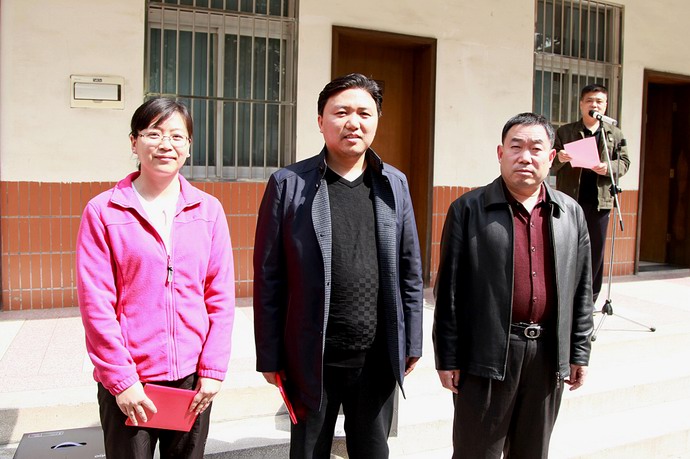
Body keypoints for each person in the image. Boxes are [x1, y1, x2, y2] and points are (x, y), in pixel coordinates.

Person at [253, 73, 424, 459]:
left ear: (377, 120)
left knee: (373, 451)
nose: (353, 122)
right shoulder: (288, 184)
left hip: (376, 356)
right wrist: (269, 354)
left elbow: (410, 270)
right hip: (311, 356)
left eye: (364, 113)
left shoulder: (393, 183)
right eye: (341, 112)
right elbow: (269, 277)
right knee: (308, 452)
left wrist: (411, 340)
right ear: (320, 121)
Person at [76, 98, 235, 459]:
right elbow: (96, 303)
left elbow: (220, 296)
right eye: (154, 134)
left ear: (189, 147)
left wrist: (213, 370)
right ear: (134, 142)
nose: (166, 144)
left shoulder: (208, 210)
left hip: (192, 380)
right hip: (132, 379)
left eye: (177, 136)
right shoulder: (104, 211)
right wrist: (121, 380)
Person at [433, 112, 594, 458]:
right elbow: (448, 292)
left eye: (536, 148)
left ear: (552, 157)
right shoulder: (468, 209)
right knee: (476, 451)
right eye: (516, 146)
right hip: (486, 355)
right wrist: (447, 356)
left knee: (532, 451)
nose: (525, 156)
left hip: (547, 356)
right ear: (500, 153)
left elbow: (582, 290)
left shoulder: (570, 213)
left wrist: (579, 350)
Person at [551, 84, 630, 303]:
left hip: (599, 202)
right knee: (567, 248)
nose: (594, 105)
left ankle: (589, 300)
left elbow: (624, 162)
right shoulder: (565, 132)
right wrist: (559, 158)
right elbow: (550, 163)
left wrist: (609, 168)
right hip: (570, 201)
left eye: (599, 101)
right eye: (589, 101)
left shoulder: (613, 134)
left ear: (605, 106)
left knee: (595, 252)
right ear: (581, 104)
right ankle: (564, 296)